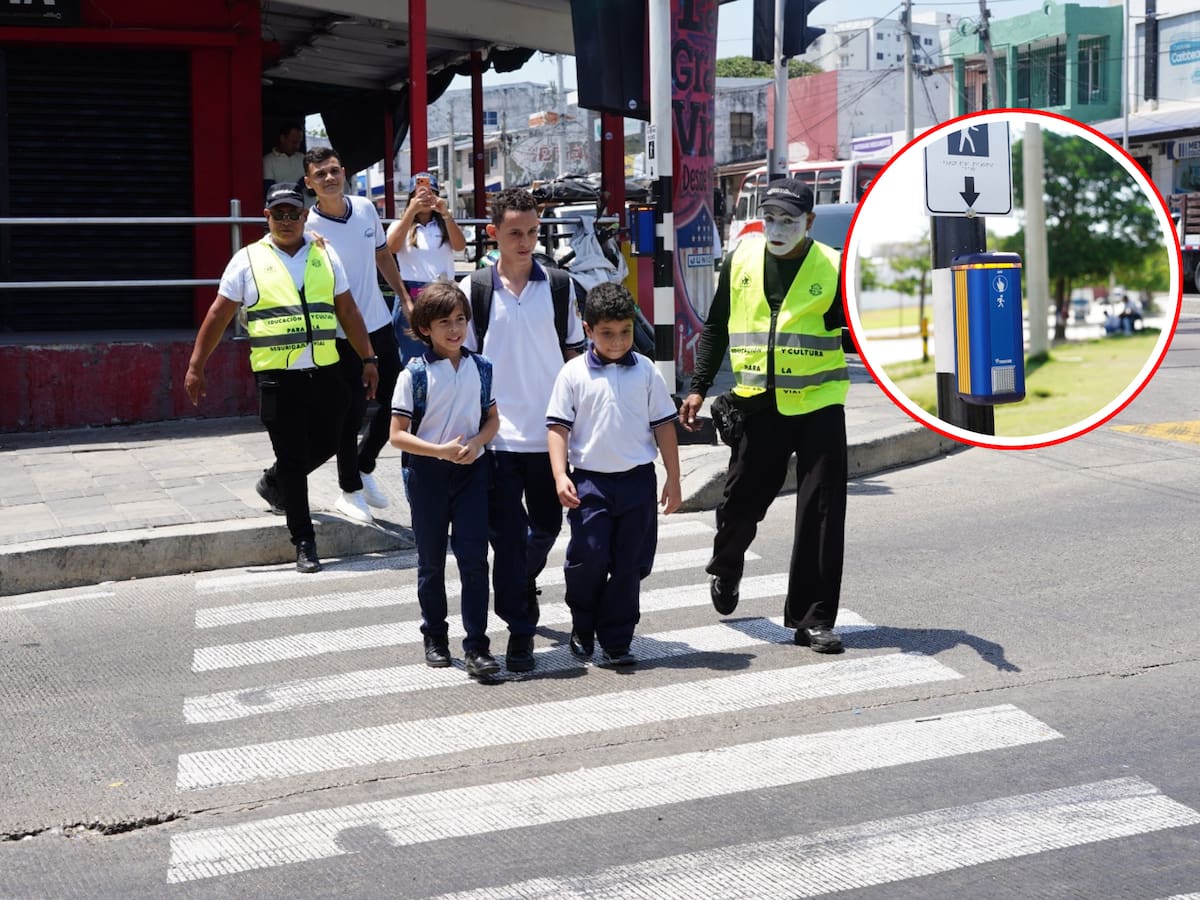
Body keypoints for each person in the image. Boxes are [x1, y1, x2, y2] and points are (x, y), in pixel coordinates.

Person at [678, 178, 849, 654]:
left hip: (818, 401)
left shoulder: (834, 266)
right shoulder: (741, 259)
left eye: (788, 221)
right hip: (757, 402)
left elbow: (858, 331)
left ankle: (813, 619)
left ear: (808, 222)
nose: (777, 228)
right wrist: (698, 387)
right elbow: (716, 325)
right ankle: (727, 566)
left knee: (822, 509)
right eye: (770, 218)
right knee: (740, 504)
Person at [185, 182, 379, 573]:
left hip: (325, 370)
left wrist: (368, 358)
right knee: (292, 457)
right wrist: (196, 365)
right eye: (279, 214)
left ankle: (275, 481)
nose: (286, 220)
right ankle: (304, 541)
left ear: (305, 217)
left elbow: (347, 310)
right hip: (277, 377)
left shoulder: (325, 254)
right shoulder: (247, 260)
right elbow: (218, 314)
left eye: (293, 213)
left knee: (337, 435)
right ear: (267, 217)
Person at [461, 187, 587, 673]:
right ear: (494, 233)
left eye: (532, 232)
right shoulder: (475, 289)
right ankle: (521, 632)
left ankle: (512, 584)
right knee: (509, 538)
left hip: (550, 433)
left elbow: (575, 356)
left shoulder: (558, 285)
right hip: (497, 437)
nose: (525, 241)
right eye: (515, 232)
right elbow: (465, 361)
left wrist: (580, 417)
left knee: (548, 527)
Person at [546, 282, 681, 667]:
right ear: (588, 330)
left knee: (630, 563)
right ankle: (582, 623)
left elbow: (664, 426)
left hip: (637, 481)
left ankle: (617, 638)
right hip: (591, 482)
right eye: (607, 333)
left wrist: (674, 478)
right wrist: (560, 474)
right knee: (588, 556)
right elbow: (557, 428)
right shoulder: (573, 373)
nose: (618, 341)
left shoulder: (647, 371)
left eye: (625, 332)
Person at [389, 281, 501, 678]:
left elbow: (492, 419)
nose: (455, 330)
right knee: (431, 561)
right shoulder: (414, 375)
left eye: (460, 320)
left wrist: (477, 443)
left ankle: (477, 647)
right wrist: (438, 451)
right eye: (444, 323)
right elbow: (397, 434)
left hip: (472, 473)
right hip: (428, 475)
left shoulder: (481, 367)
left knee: (474, 560)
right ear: (425, 329)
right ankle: (434, 635)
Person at [303, 146, 409, 524]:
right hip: (340, 332)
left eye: (334, 170)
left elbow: (382, 255)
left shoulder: (365, 208)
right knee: (350, 412)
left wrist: (404, 299)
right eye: (320, 174)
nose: (329, 178)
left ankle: (364, 466)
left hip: (378, 323)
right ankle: (349, 490)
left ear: (344, 171)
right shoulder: (307, 228)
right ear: (309, 183)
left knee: (398, 399)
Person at [385, 172, 467, 363]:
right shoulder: (399, 225)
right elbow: (392, 247)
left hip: (443, 292)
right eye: (419, 193)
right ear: (411, 197)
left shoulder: (444, 224)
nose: (425, 197)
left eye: (431, 193)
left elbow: (460, 246)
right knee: (413, 356)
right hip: (413, 293)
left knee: (446, 351)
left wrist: (445, 213)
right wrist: (411, 212)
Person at [262, 122, 309, 205]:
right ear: (282, 138)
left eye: (299, 142)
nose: (297, 146)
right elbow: (269, 189)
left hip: (307, 207)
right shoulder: (268, 160)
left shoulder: (304, 158)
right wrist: (298, 186)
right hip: (282, 207)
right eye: (294, 142)